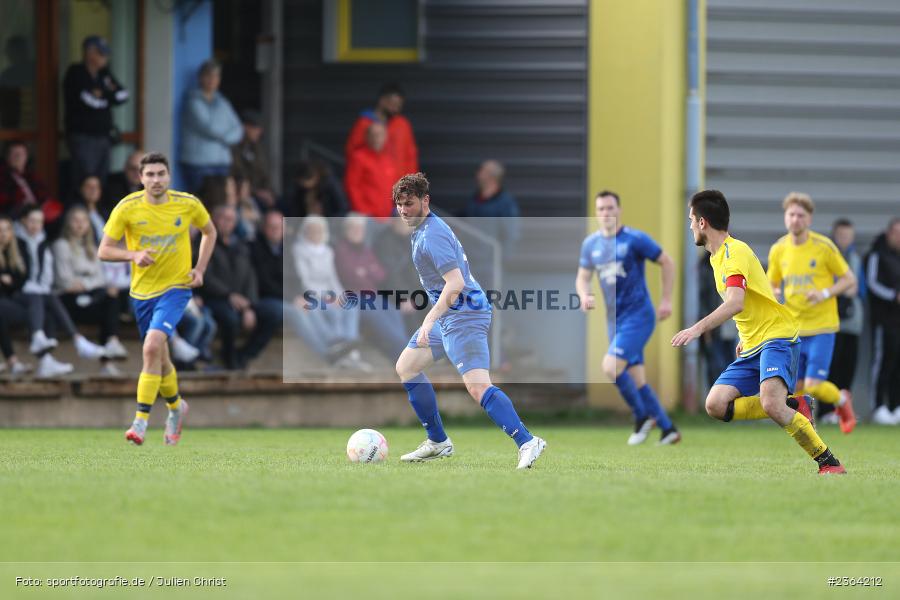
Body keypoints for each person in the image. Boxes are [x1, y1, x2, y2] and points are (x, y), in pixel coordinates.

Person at [672, 189, 846, 475]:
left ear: (703, 223)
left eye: (691, 219)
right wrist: (744, 335)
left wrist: (697, 328)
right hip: (753, 342)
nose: (690, 225)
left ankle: (829, 462)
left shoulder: (734, 252)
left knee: (770, 403)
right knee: (715, 404)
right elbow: (755, 297)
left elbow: (736, 302)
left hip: (777, 336)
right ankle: (794, 404)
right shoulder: (717, 258)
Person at [392, 172, 546, 469]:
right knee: (407, 367)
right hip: (450, 316)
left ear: (426, 200)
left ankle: (527, 441)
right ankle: (438, 441)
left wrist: (428, 320)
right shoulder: (421, 230)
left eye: (409, 203)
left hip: (466, 315)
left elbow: (455, 283)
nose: (403, 210)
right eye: (399, 204)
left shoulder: (432, 234)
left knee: (477, 387)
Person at [98, 152, 217, 446]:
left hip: (176, 288)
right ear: (141, 179)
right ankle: (176, 408)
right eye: (149, 175)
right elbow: (104, 250)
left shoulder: (187, 204)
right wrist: (133, 254)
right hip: (141, 293)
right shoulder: (127, 208)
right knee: (159, 358)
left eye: (160, 174)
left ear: (169, 176)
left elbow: (209, 232)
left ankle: (140, 421)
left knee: (151, 346)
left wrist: (199, 269)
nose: (155, 180)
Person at [575, 190, 680, 445]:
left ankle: (642, 416)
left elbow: (667, 262)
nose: (605, 214)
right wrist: (584, 295)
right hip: (614, 320)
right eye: (600, 209)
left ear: (619, 210)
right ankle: (668, 429)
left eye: (610, 208)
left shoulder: (634, 239)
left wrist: (666, 300)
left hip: (639, 315)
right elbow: (583, 276)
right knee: (636, 379)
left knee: (610, 367)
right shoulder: (591, 244)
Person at [767, 192, 857, 433]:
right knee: (795, 386)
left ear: (809, 219)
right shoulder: (778, 249)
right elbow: (772, 283)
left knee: (814, 386)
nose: (795, 219)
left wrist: (824, 294)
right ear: (785, 217)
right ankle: (806, 426)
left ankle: (842, 400)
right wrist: (774, 292)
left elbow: (849, 279)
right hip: (794, 328)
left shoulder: (823, 247)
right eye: (791, 214)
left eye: (801, 215)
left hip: (822, 327)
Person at [16, 206, 108, 377]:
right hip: (18, 295)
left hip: (38, 296)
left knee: (47, 307)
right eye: (32, 221)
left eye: (39, 222)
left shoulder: (42, 243)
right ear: (23, 221)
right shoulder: (18, 242)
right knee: (43, 297)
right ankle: (76, 341)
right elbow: (23, 278)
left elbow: (101, 278)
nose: (36, 225)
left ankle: (46, 360)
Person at [200, 204, 279, 370]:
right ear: (214, 219)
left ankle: (245, 355)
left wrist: (249, 305)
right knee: (231, 319)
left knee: (274, 313)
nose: (227, 223)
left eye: (231, 220)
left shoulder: (242, 246)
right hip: (216, 298)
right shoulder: (203, 243)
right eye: (223, 218)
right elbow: (205, 276)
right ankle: (229, 360)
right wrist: (229, 295)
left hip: (242, 300)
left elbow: (251, 276)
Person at [52, 206, 128, 374]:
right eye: (75, 220)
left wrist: (83, 282)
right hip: (68, 301)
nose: (80, 225)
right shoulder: (61, 246)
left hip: (89, 297)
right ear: (68, 224)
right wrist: (89, 281)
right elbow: (65, 281)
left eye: (83, 221)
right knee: (107, 298)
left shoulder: (93, 249)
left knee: (111, 299)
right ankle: (108, 355)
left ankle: (110, 349)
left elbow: (101, 278)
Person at [291, 215, 371, 371]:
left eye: (319, 231)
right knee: (335, 312)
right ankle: (339, 350)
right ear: (305, 232)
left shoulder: (327, 251)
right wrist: (327, 298)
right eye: (312, 231)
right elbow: (304, 280)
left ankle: (352, 352)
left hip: (329, 295)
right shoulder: (298, 250)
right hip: (312, 295)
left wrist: (340, 296)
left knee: (350, 307)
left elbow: (332, 278)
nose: (316, 234)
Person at [335, 213, 409, 359]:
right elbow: (350, 275)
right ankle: (405, 353)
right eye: (354, 229)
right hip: (354, 296)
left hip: (373, 294)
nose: (358, 232)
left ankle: (402, 352)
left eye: (360, 229)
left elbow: (380, 274)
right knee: (378, 317)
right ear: (346, 230)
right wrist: (368, 270)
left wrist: (365, 271)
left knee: (393, 311)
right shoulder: (342, 249)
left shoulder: (365, 249)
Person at [63, 35, 129, 189]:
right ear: (90, 53)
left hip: (103, 136)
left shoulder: (104, 74)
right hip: (83, 137)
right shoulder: (76, 73)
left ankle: (98, 212)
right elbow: (89, 101)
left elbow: (124, 95)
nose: (105, 58)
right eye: (101, 53)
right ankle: (81, 212)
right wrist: (109, 97)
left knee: (101, 180)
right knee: (86, 179)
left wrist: (104, 94)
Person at [819, 219, 866, 425]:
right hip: (831, 322)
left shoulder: (855, 258)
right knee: (830, 368)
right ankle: (826, 410)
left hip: (852, 324)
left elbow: (857, 288)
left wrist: (843, 287)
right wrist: (842, 287)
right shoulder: (827, 256)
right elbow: (830, 285)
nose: (844, 240)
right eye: (841, 236)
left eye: (848, 236)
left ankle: (843, 410)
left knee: (848, 368)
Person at [179, 60, 242, 193]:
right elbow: (208, 128)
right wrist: (227, 134)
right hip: (198, 163)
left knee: (221, 204)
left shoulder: (223, 102)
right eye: (209, 76)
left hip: (222, 162)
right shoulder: (193, 101)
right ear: (200, 78)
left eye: (216, 76)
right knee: (202, 205)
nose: (212, 80)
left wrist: (228, 137)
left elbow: (238, 128)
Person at [866, 217, 900, 425]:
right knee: (883, 362)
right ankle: (877, 405)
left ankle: (895, 405)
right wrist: (893, 296)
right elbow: (872, 283)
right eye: (896, 233)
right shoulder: (876, 255)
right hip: (883, 320)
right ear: (888, 234)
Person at [345, 82, 418, 177]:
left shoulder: (402, 124)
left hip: (400, 184)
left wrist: (411, 181)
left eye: (399, 105)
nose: (396, 109)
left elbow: (410, 155)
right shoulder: (364, 123)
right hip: (373, 183)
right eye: (394, 104)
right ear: (382, 100)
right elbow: (353, 152)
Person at [0, 140, 64, 234]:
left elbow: (45, 196)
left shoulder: (32, 176)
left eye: (22, 154)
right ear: (7, 157)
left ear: (26, 157)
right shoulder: (3, 176)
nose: (18, 157)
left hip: (39, 213)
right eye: (15, 154)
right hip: (16, 215)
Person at [373, 215, 423, 332]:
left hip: (413, 287)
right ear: (394, 222)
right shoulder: (385, 242)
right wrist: (404, 296)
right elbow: (391, 274)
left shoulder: (411, 239)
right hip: (392, 291)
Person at [0, 215, 32, 375]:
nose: (3, 234)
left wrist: (8, 281)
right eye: (0, 230)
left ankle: (12, 361)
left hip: (15, 305)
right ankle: (13, 361)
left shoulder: (20, 248)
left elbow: (20, 282)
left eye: (6, 229)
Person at [344, 122, 396, 219]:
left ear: (385, 137)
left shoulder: (388, 159)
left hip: (387, 216)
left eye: (379, 135)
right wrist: (362, 210)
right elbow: (351, 186)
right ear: (367, 137)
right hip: (367, 217)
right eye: (373, 135)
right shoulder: (358, 158)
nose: (376, 138)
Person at [231, 109, 275, 209]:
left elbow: (263, 173)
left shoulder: (256, 148)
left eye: (260, 128)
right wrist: (256, 192)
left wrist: (269, 192)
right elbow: (236, 176)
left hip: (260, 194)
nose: (259, 132)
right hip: (241, 195)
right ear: (244, 127)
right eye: (255, 127)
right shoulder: (233, 148)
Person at [282, 160, 348, 218]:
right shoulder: (300, 190)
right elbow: (295, 209)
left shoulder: (330, 185)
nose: (303, 185)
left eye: (304, 181)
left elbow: (342, 208)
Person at [103, 150, 144, 216]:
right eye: (133, 168)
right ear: (125, 168)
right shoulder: (112, 186)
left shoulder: (150, 188)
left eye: (141, 170)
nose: (137, 173)